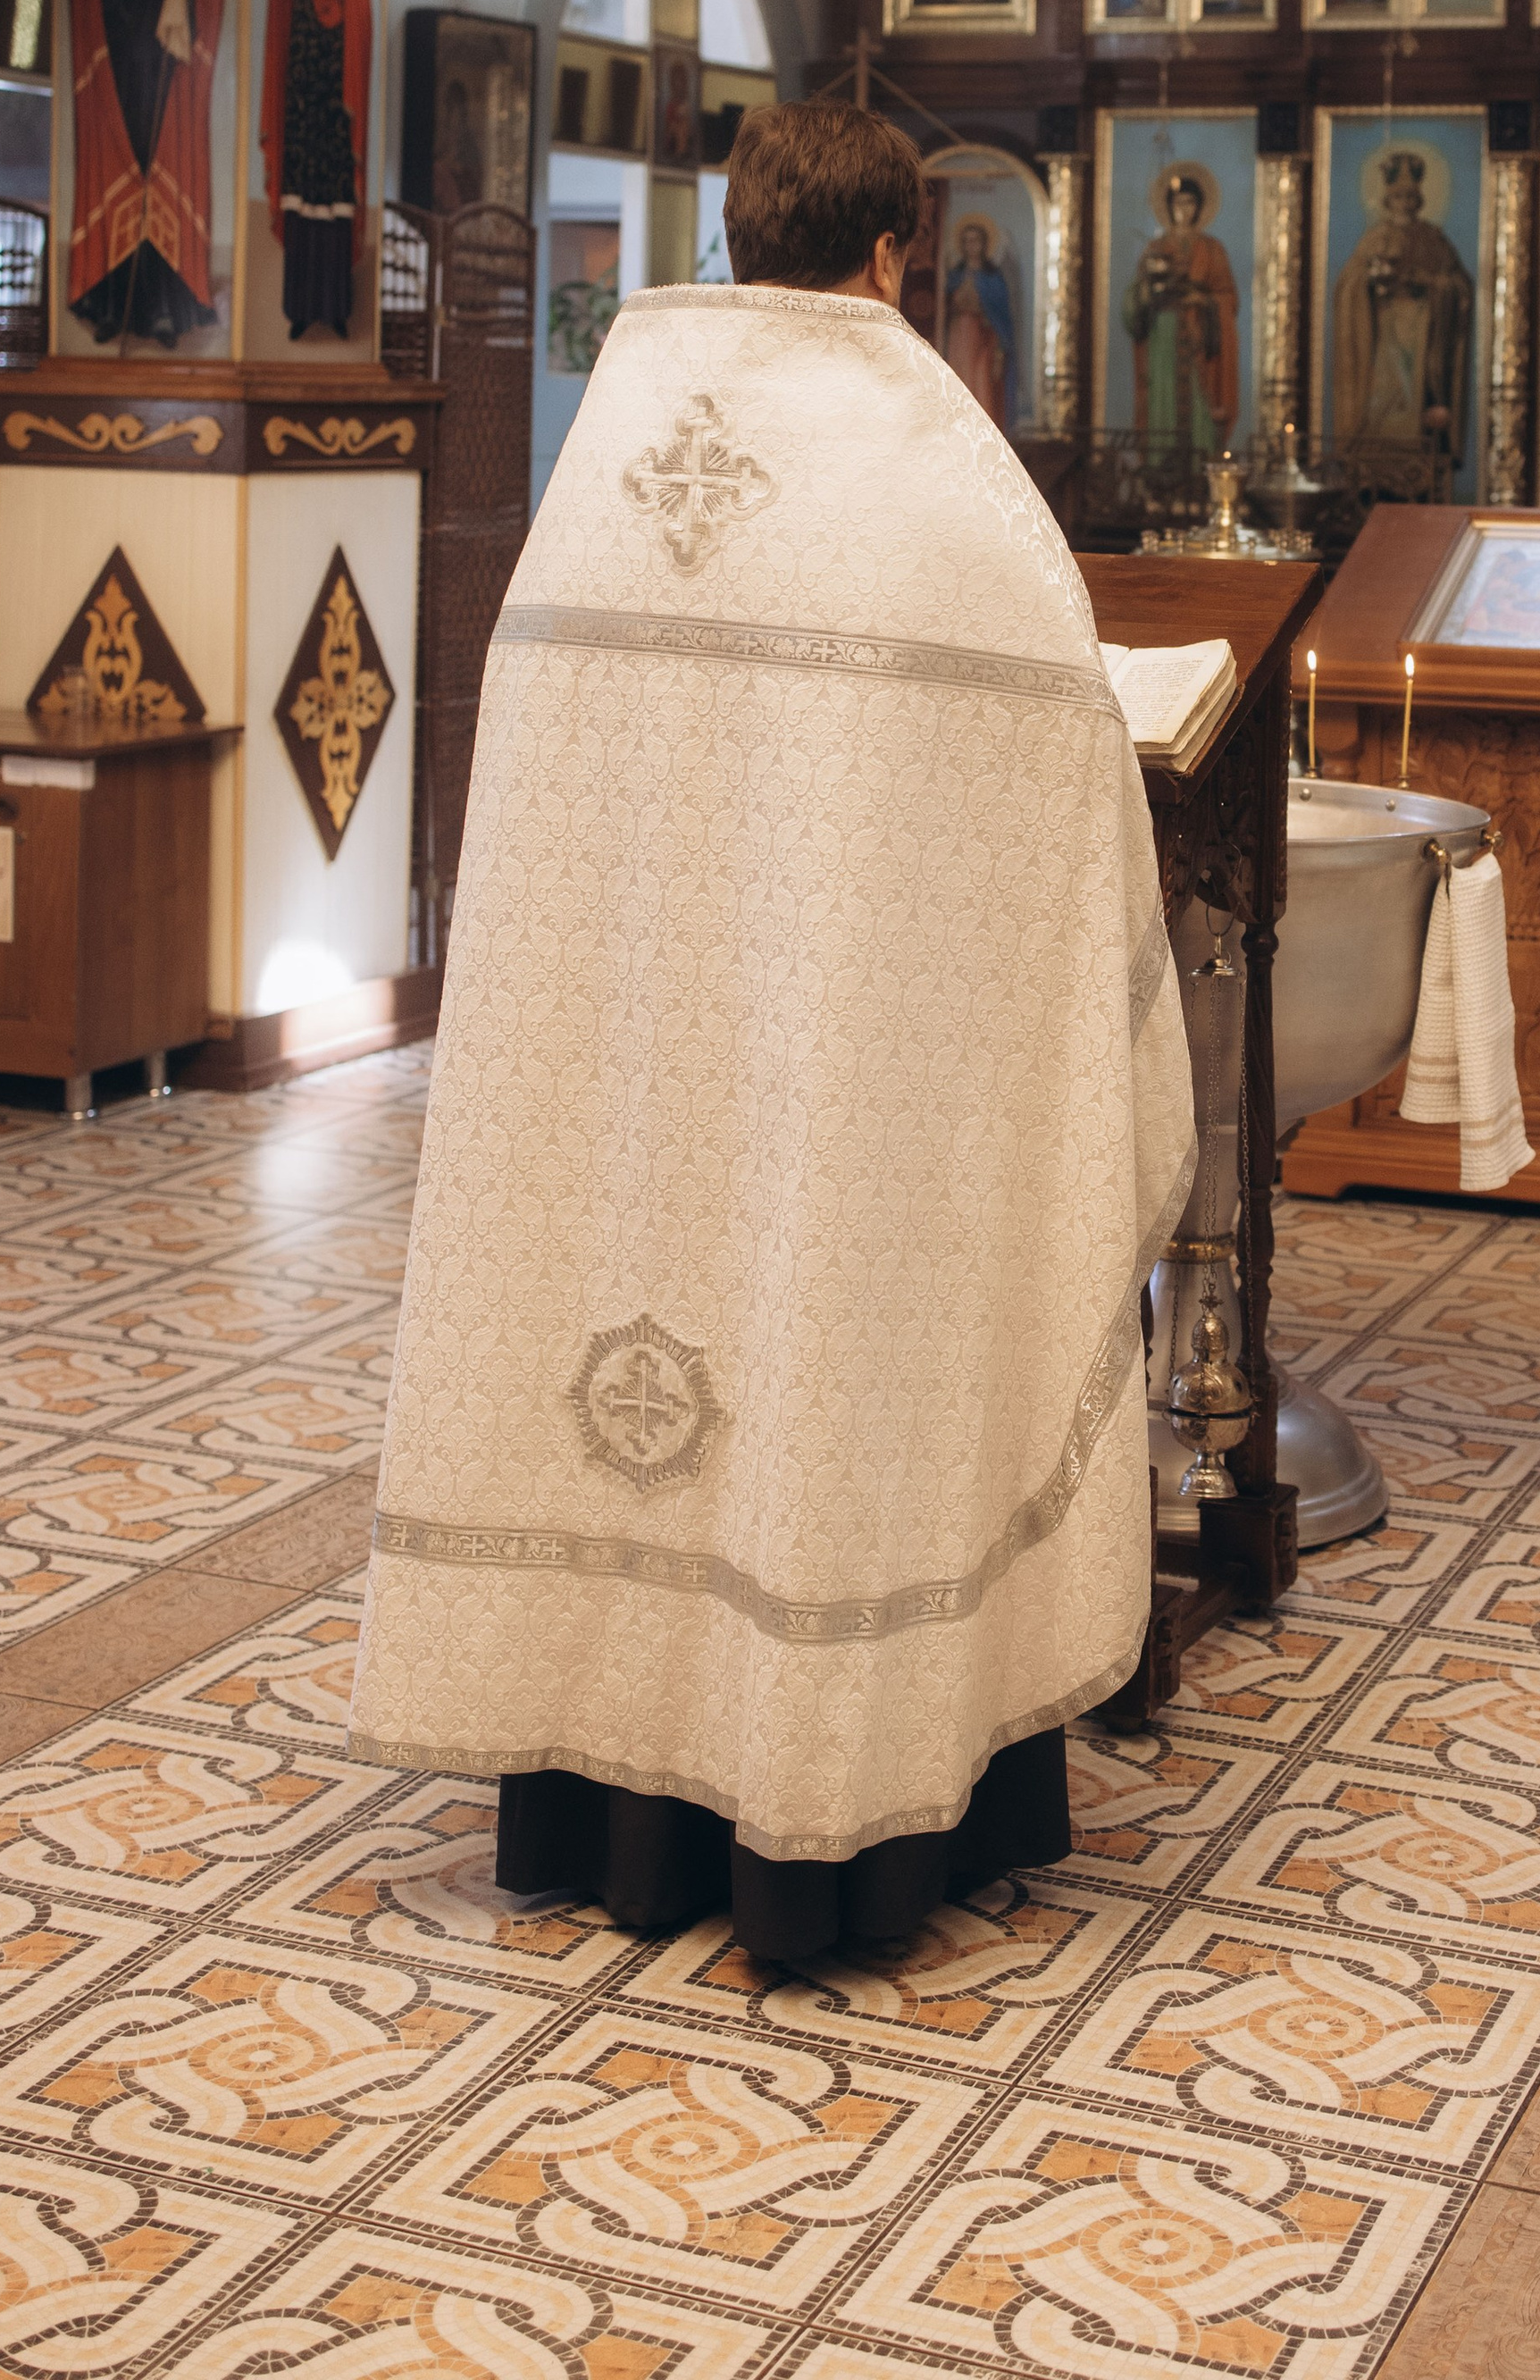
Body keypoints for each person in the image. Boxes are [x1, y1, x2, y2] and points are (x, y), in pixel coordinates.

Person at [349, 104, 1193, 1964]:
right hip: (842, 1093)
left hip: (628, 1082)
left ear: (737, 232)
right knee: (830, 1384)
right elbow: (1062, 781)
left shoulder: (605, 466)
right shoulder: (937, 475)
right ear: (896, 253)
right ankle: (839, 1838)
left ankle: (598, 1817)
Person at [67, 0, 223, 347]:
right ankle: (111, 301)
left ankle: (163, 307)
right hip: (116, 65)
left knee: (162, 171)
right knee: (120, 169)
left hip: (169, 65)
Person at [262, 0, 372, 339]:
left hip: (336, 68)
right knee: (303, 189)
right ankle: (301, 310)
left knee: (334, 192)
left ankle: (336, 308)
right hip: (301, 61)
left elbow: (364, 0)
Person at [1333, 149, 1474, 464]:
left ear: (1420, 199)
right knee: (1386, 401)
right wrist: (1370, 282)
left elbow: (1459, 287)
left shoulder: (1434, 239)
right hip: (1385, 338)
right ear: (1387, 199)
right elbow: (1348, 287)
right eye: (1398, 196)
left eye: (1411, 196)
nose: (1405, 203)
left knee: (1419, 396)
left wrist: (1431, 284)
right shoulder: (1375, 238)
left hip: (1426, 340)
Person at [1124, 166, 1238, 453]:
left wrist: (1204, 302)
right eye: (1178, 203)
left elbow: (1227, 297)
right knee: (1163, 401)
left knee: (1201, 401)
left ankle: (1200, 471)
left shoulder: (1212, 250)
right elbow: (1137, 297)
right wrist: (1150, 292)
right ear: (1169, 207)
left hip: (1198, 337)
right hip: (1163, 339)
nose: (1184, 210)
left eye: (1190, 203)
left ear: (1199, 207)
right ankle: (1161, 473)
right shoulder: (1156, 247)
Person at [942, 213, 1016, 432]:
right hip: (957, 339)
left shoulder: (993, 278)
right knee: (958, 383)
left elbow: (1000, 316)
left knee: (981, 386)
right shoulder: (954, 276)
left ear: (984, 244)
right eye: (966, 241)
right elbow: (945, 307)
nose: (970, 245)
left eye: (975, 240)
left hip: (983, 341)